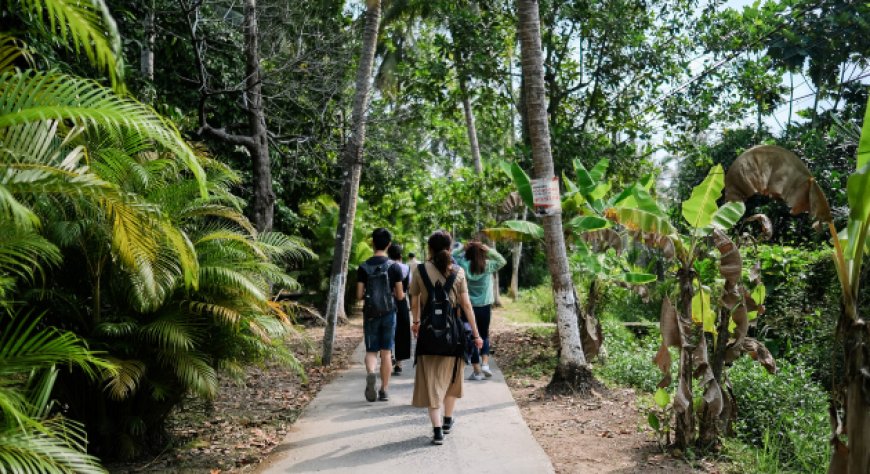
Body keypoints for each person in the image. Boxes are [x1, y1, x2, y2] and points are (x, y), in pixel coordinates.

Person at [410, 230, 484, 445]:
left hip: (428, 333)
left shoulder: (419, 270)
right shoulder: (458, 272)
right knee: (452, 379)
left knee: (432, 381)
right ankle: (448, 420)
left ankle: (436, 431)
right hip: (454, 335)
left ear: (430, 249)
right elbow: (467, 305)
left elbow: (414, 303)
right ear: (449, 248)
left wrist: (415, 323)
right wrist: (477, 335)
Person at [357, 228, 404, 402]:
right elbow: (399, 296)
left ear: (372, 243)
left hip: (370, 313)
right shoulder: (394, 267)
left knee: (371, 351)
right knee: (386, 352)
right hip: (389, 313)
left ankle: (371, 374)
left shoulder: (363, 267)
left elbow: (358, 295)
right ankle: (384, 390)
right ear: (389, 244)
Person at [453, 241, 506, 380]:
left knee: (471, 336)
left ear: (468, 253)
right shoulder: (488, 265)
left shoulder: (463, 266)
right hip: (484, 307)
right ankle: (485, 364)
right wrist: (488, 249)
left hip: (468, 307)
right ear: (482, 253)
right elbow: (502, 260)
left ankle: (476, 370)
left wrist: (461, 249)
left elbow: (453, 256)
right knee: (484, 334)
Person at [387, 243, 411, 375]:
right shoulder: (406, 268)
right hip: (401, 303)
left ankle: (389, 356)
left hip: (387, 302)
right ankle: (399, 364)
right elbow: (409, 286)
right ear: (401, 256)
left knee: (388, 331)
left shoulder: (386, 266)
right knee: (402, 332)